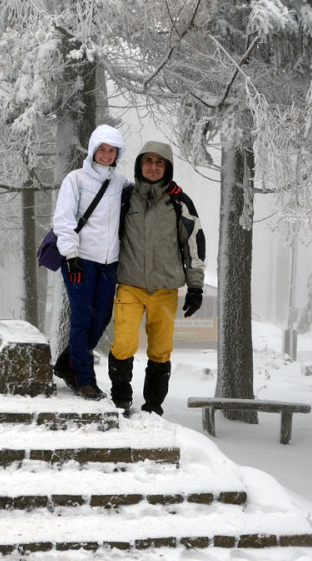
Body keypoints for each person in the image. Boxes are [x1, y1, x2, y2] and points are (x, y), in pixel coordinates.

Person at [108, 140, 206, 415]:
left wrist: (195, 286)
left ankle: (153, 407)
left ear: (168, 167)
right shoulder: (125, 198)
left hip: (165, 289)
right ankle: (120, 399)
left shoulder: (179, 202)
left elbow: (194, 244)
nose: (153, 167)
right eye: (148, 161)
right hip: (130, 285)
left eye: (159, 162)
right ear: (140, 165)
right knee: (124, 343)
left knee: (161, 350)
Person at [50, 124, 128, 400]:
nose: (106, 155)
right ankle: (84, 379)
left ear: (118, 152)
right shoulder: (76, 179)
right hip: (80, 260)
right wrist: (70, 255)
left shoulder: (120, 183)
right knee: (82, 318)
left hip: (109, 262)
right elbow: (63, 219)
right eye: (102, 149)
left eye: (112, 150)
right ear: (93, 150)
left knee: (102, 317)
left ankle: (67, 364)